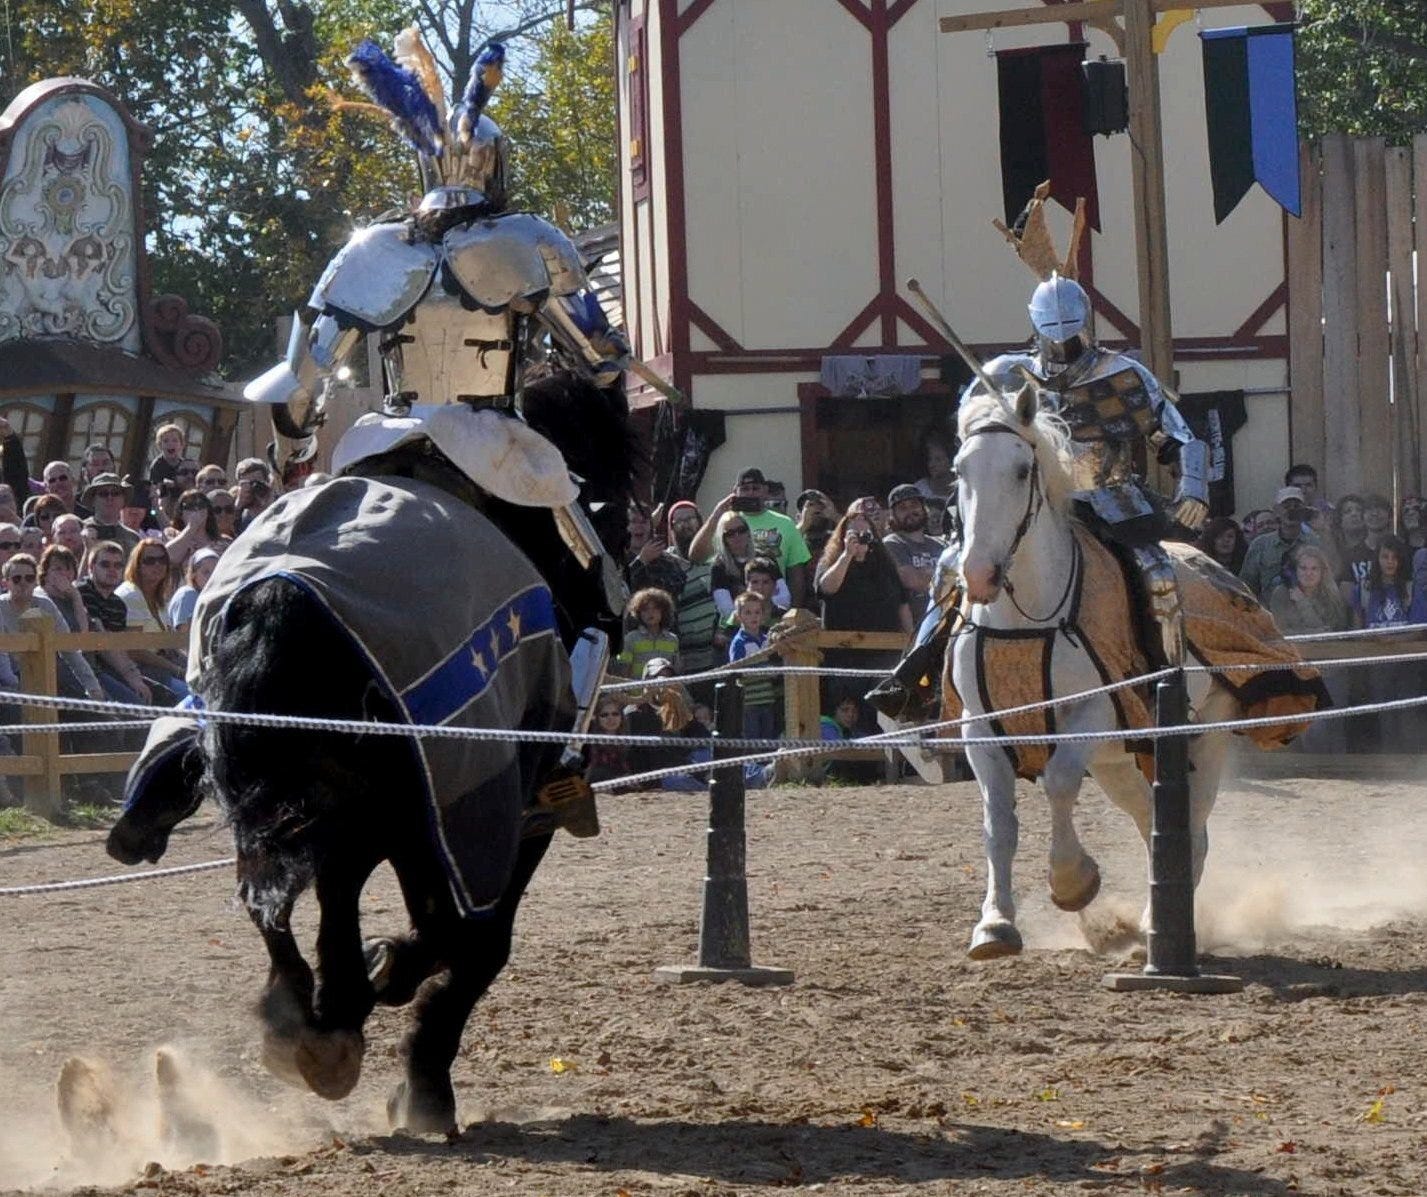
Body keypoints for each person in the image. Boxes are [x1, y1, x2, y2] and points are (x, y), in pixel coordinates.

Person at [239, 29, 629, 689]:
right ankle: (559, 758)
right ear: (494, 166)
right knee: (602, 593)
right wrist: (611, 358)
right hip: (490, 441)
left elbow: (298, 382)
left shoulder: (368, 250)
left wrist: (289, 462)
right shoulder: (526, 240)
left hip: (381, 438)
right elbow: (596, 357)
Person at [870, 273, 1209, 718]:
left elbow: (1178, 438)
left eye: (1070, 340)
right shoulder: (1001, 374)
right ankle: (919, 680)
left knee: (1158, 573)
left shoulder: (1123, 376)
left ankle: (1167, 684)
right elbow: (972, 439)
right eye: (1054, 341)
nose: (1062, 351)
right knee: (950, 570)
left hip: (1109, 499)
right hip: (1030, 505)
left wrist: (1194, 484)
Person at [687, 467, 812, 608]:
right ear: (735, 492)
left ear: (765, 491)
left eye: (755, 488)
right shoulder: (727, 523)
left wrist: (792, 612)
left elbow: (796, 574)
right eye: (745, 489)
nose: (751, 493)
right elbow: (696, 557)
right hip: (732, 614)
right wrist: (717, 514)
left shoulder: (785, 523)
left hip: (773, 610)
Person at [0, 553, 105, 702]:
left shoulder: (45, 605)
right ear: (6, 584)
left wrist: (92, 687)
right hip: (8, 680)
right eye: (17, 579)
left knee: (92, 708)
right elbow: (1, 659)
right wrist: (23, 692)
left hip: (42, 672)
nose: (23, 583)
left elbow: (69, 649)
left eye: (29, 578)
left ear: (35, 581)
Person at [77, 542, 153, 705]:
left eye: (118, 565)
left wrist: (134, 675)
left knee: (163, 696)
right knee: (135, 705)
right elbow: (101, 642)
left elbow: (118, 646)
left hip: (113, 667)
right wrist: (131, 677)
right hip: (88, 668)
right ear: (91, 567)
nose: (112, 570)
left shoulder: (118, 604)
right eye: (105, 564)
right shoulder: (82, 593)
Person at [114, 541, 188, 701]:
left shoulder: (158, 598)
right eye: (149, 560)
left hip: (162, 663)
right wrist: (177, 670)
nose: (157, 564)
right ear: (137, 564)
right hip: (140, 669)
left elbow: (168, 645)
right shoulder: (131, 594)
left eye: (162, 560)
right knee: (188, 695)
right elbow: (134, 651)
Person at [1238, 486, 1319, 600]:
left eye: (1297, 506)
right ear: (1276, 511)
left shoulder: (1315, 542)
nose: (1291, 510)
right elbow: (1247, 586)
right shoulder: (1260, 545)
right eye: (1286, 507)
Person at [881, 483, 945, 622]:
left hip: (946, 620)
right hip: (912, 627)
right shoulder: (892, 544)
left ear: (923, 508)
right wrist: (944, 576)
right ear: (893, 515)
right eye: (902, 508)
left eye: (914, 505)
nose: (910, 511)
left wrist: (927, 573)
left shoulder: (942, 544)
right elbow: (913, 581)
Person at [728, 590, 778, 740]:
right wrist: (765, 671)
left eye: (757, 612)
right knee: (752, 738)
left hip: (767, 698)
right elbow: (736, 670)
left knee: (767, 737)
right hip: (749, 700)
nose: (753, 616)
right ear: (739, 616)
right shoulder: (739, 642)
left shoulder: (766, 639)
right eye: (748, 613)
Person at [1268, 544, 1349, 635]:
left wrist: (1302, 602)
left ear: (1322, 572)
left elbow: (1328, 634)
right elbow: (1280, 632)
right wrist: (1315, 631)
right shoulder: (1281, 594)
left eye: (1314, 569)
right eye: (1303, 568)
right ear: (1295, 570)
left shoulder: (1331, 595)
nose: (1308, 573)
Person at [616, 586, 679, 678]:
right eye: (645, 609)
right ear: (638, 613)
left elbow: (676, 671)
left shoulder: (673, 640)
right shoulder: (630, 638)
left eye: (655, 608)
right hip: (638, 692)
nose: (650, 613)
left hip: (665, 691)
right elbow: (624, 672)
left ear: (663, 611)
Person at [79, 472, 141, 557]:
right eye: (103, 494)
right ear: (93, 500)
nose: (110, 498)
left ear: (123, 499)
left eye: (115, 493)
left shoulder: (132, 537)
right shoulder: (79, 530)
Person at [162, 489, 222, 574]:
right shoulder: (171, 533)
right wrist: (191, 527)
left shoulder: (220, 542)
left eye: (201, 505)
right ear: (181, 513)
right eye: (189, 506)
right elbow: (169, 556)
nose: (196, 509)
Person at [167, 547, 221, 630]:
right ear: (193, 575)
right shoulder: (187, 595)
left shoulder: (214, 598)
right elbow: (184, 634)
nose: (211, 577)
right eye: (206, 572)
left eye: (216, 571)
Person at [914, 432, 957, 532]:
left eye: (938, 459)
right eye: (930, 459)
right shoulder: (919, 490)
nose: (932, 464)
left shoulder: (962, 489)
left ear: (951, 460)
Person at [795, 489, 838, 565]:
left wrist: (835, 516)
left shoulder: (835, 538)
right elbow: (784, 544)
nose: (815, 509)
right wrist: (804, 524)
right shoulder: (796, 537)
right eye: (810, 506)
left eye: (820, 505)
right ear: (798, 517)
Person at [147, 424, 189, 489]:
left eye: (175, 440)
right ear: (160, 445)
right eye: (166, 441)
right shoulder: (157, 464)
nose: (170, 444)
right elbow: (154, 485)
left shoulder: (185, 465)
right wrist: (163, 483)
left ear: (182, 445)